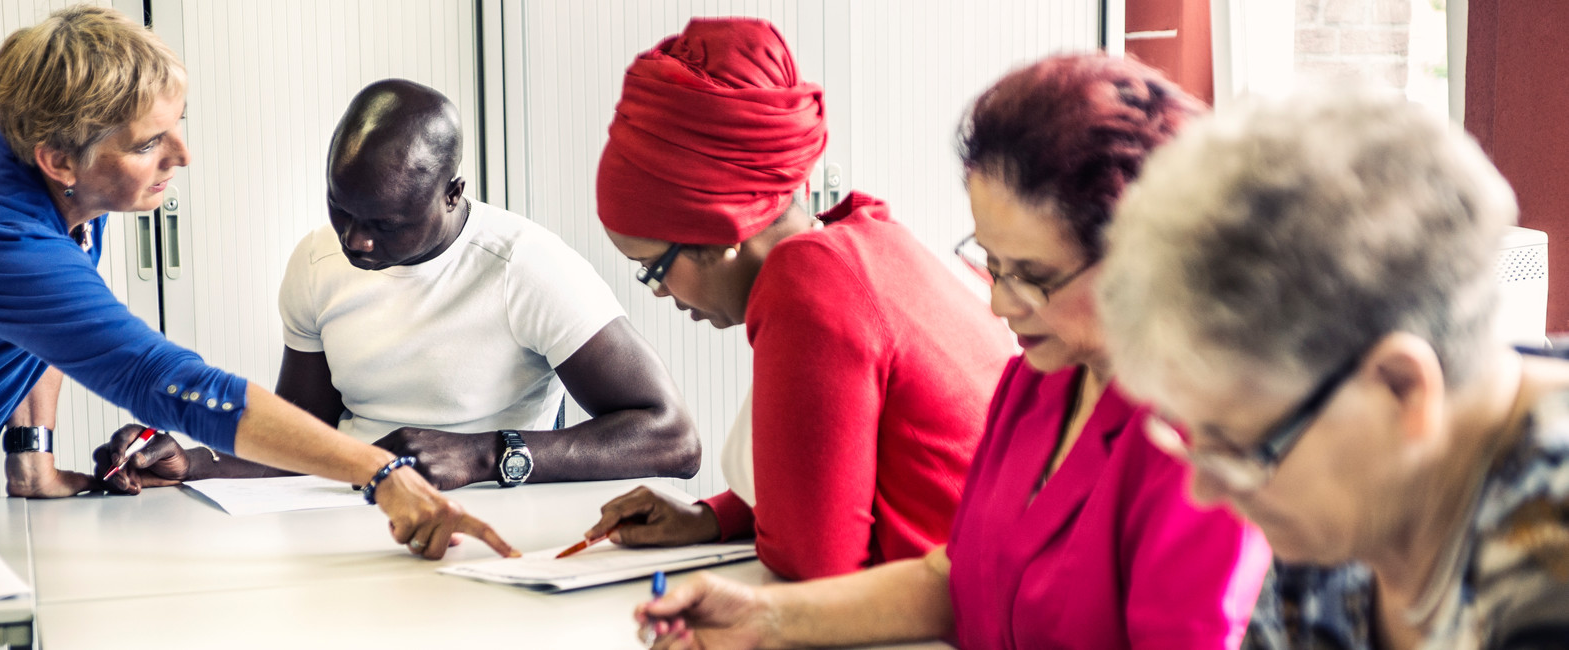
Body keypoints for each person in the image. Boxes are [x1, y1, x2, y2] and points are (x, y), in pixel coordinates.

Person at [629, 53, 1272, 650]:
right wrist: (764, 618)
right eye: (990, 264)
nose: (1000, 303)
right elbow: (954, 577)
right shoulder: (1035, 385)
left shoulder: (1199, 445)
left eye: (1034, 277)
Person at [0, 5, 509, 560]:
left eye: (179, 121)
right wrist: (380, 470)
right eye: (150, 143)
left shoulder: (43, 139)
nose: (182, 154)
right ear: (59, 160)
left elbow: (42, 322)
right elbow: (166, 382)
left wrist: (30, 460)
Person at [1099, 87, 1569, 647]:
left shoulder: (1550, 564)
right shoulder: (1350, 510)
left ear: (1402, 388)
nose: (1203, 491)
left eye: (1240, 448)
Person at [93, 79, 700, 490]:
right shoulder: (316, 262)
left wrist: (485, 453)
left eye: (384, 223)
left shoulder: (527, 266)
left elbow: (673, 437)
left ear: (452, 194)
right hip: (347, 503)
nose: (356, 240)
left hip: (489, 516)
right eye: (341, 210)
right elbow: (306, 431)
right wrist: (192, 463)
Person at [580, 17, 1012, 581]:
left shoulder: (807, 283)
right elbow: (845, 471)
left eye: (652, 267)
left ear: (719, 232)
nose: (659, 291)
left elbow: (814, 560)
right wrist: (711, 517)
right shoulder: (865, 236)